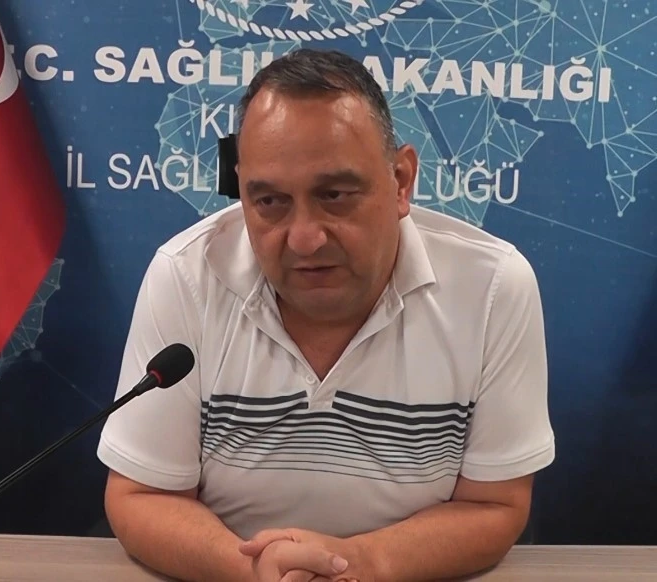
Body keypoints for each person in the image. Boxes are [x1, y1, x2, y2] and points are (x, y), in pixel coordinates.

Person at [96, 48, 555, 582]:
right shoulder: (186, 276)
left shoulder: (493, 287)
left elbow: (495, 505)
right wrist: (257, 572)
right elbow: (141, 495)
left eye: (334, 195)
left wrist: (355, 565)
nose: (305, 238)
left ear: (401, 181)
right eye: (270, 202)